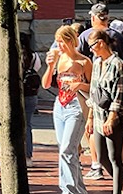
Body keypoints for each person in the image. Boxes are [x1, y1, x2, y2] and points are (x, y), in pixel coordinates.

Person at [42, 26, 91, 194]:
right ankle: (79, 189)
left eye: (61, 42)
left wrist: (80, 84)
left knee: (67, 150)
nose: (58, 45)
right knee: (67, 151)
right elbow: (46, 84)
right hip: (60, 106)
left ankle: (69, 190)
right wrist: (50, 66)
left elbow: (94, 88)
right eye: (57, 42)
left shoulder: (84, 62)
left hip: (77, 106)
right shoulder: (58, 58)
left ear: (70, 41)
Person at [85, 30, 123, 194]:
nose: (90, 49)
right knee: (102, 157)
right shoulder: (97, 62)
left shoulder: (117, 63)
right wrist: (90, 117)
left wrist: (112, 118)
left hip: (113, 117)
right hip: (98, 115)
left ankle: (117, 191)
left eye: (92, 46)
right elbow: (93, 91)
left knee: (115, 159)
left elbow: (120, 94)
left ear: (100, 43)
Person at [20, 33, 41, 167]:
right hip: (31, 94)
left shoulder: (12, 55)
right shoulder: (34, 56)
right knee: (27, 125)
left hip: (17, 94)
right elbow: (37, 68)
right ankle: (28, 156)